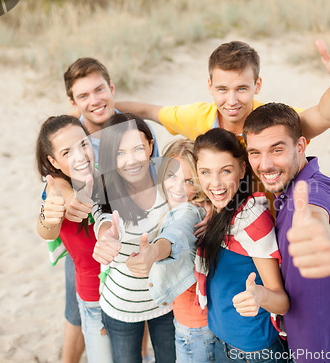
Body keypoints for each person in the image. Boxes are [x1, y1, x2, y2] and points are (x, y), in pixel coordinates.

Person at [242, 103, 330, 363]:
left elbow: (315, 212)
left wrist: (315, 229)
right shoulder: (286, 192)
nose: (264, 165)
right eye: (255, 152)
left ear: (300, 147)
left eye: (276, 150)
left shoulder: (314, 192)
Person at [60, 57, 161, 361]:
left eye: (99, 89)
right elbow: (53, 178)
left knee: (137, 309)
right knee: (78, 313)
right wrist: (65, 193)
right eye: (83, 96)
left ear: (111, 87)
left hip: (135, 237)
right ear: (73, 102)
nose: (95, 100)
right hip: (88, 239)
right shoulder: (72, 139)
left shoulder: (137, 129)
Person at [115, 39, 330, 141]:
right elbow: (146, 109)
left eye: (242, 88)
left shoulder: (276, 121)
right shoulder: (197, 117)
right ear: (210, 86)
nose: (232, 100)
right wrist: (97, 112)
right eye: (222, 89)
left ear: (257, 86)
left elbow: (326, 116)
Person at [193, 128, 290, 362]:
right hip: (220, 337)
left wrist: (260, 296)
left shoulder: (252, 221)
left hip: (255, 349)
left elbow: (282, 301)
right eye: (205, 172)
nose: (215, 183)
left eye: (225, 171)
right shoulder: (219, 211)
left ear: (242, 169)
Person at [91, 113, 176, 363]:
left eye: (138, 148)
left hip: (166, 300)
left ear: (150, 146)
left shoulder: (167, 179)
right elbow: (105, 222)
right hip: (122, 306)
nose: (131, 161)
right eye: (119, 153)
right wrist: (107, 239)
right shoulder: (102, 190)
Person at [125, 139, 214, 363]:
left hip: (195, 328)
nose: (177, 188)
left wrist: (155, 250)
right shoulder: (205, 207)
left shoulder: (190, 212)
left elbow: (177, 234)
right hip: (192, 322)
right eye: (171, 176)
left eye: (189, 181)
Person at [35, 115, 114, 363]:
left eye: (83, 144)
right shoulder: (56, 189)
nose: (79, 155)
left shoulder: (109, 175)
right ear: (53, 161)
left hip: (128, 292)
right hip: (93, 297)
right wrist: (48, 218)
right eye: (66, 152)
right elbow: (47, 228)